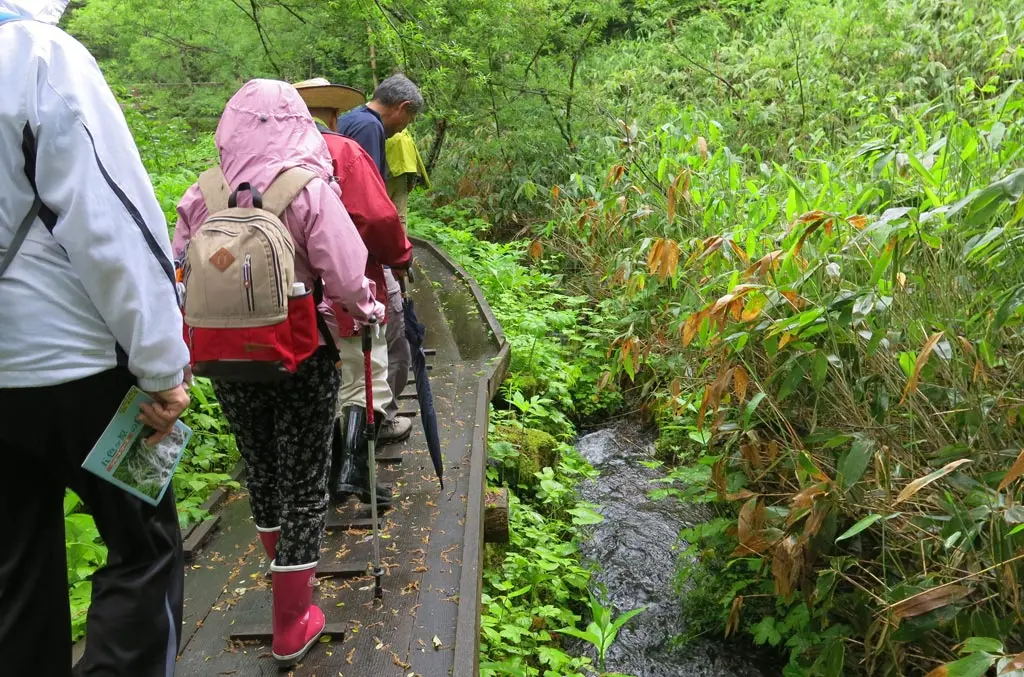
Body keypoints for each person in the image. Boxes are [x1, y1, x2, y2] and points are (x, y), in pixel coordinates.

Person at [0, 2, 192, 676]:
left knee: (15, 582)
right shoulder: (38, 56)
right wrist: (163, 364)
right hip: (81, 372)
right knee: (142, 547)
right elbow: (110, 220)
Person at [173, 79, 384, 667]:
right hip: (298, 353)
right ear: (296, 122)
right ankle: (293, 620)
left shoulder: (203, 193)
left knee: (262, 469)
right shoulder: (306, 189)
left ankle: (281, 586)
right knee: (305, 477)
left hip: (223, 358)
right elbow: (344, 273)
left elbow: (179, 270)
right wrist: (368, 311)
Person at [293, 78, 413, 506]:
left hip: (278, 305)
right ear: (331, 115)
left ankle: (321, 477)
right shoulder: (343, 150)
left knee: (313, 384)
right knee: (361, 377)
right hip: (342, 291)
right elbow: (378, 218)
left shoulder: (247, 161)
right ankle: (352, 472)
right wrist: (400, 257)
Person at [336, 73, 424, 445]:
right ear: (402, 108)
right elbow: (370, 205)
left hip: (339, 248)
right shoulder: (370, 129)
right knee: (391, 329)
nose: (405, 127)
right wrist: (397, 256)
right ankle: (380, 418)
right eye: (410, 119)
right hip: (361, 255)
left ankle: (360, 417)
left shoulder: (349, 119)